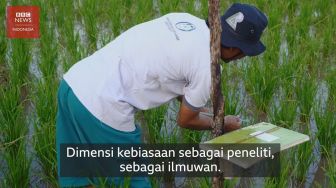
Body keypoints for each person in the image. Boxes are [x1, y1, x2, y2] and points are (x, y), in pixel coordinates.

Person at [56, 3, 268, 188]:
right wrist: (224, 124)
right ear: (234, 48)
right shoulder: (208, 68)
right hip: (103, 105)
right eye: (245, 52)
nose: (242, 58)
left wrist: (205, 111)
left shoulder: (185, 20)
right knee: (134, 180)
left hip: (73, 84)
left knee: (79, 175)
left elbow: (172, 77)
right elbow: (185, 120)